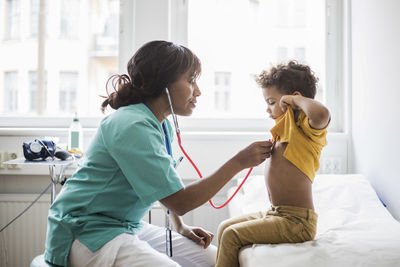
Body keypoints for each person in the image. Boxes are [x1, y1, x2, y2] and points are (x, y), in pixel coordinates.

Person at [44, 40, 273, 267]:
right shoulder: (131, 125)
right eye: (191, 80)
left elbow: (163, 184)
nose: (199, 91)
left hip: (126, 226)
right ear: (163, 85)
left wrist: (180, 226)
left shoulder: (160, 124)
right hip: (84, 231)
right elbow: (180, 201)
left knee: (218, 260)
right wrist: (239, 162)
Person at [215, 60, 331, 267]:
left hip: (298, 222)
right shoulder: (284, 129)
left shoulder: (306, 129)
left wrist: (295, 101)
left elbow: (322, 114)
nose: (268, 110)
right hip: (277, 213)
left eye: (271, 102)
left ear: (293, 99)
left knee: (232, 235)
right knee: (225, 227)